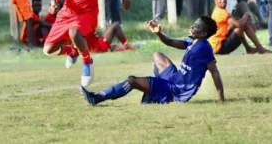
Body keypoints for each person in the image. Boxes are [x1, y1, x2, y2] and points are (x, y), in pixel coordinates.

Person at [80, 17, 225, 106]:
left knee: (132, 81)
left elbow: (215, 72)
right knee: (157, 56)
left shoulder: (204, 48)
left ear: (203, 33)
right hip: (175, 79)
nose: (192, 27)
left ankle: (97, 98)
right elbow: (169, 41)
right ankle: (153, 91)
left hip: (176, 90)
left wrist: (221, 99)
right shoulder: (192, 41)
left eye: (196, 26)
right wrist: (158, 32)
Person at [208, 0, 272, 55]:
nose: (223, 0)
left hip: (216, 46)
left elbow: (234, 21)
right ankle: (260, 49)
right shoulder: (221, 12)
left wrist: (245, 20)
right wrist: (246, 16)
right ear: (215, 1)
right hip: (220, 48)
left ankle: (250, 49)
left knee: (241, 25)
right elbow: (239, 24)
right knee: (241, 26)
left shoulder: (217, 10)